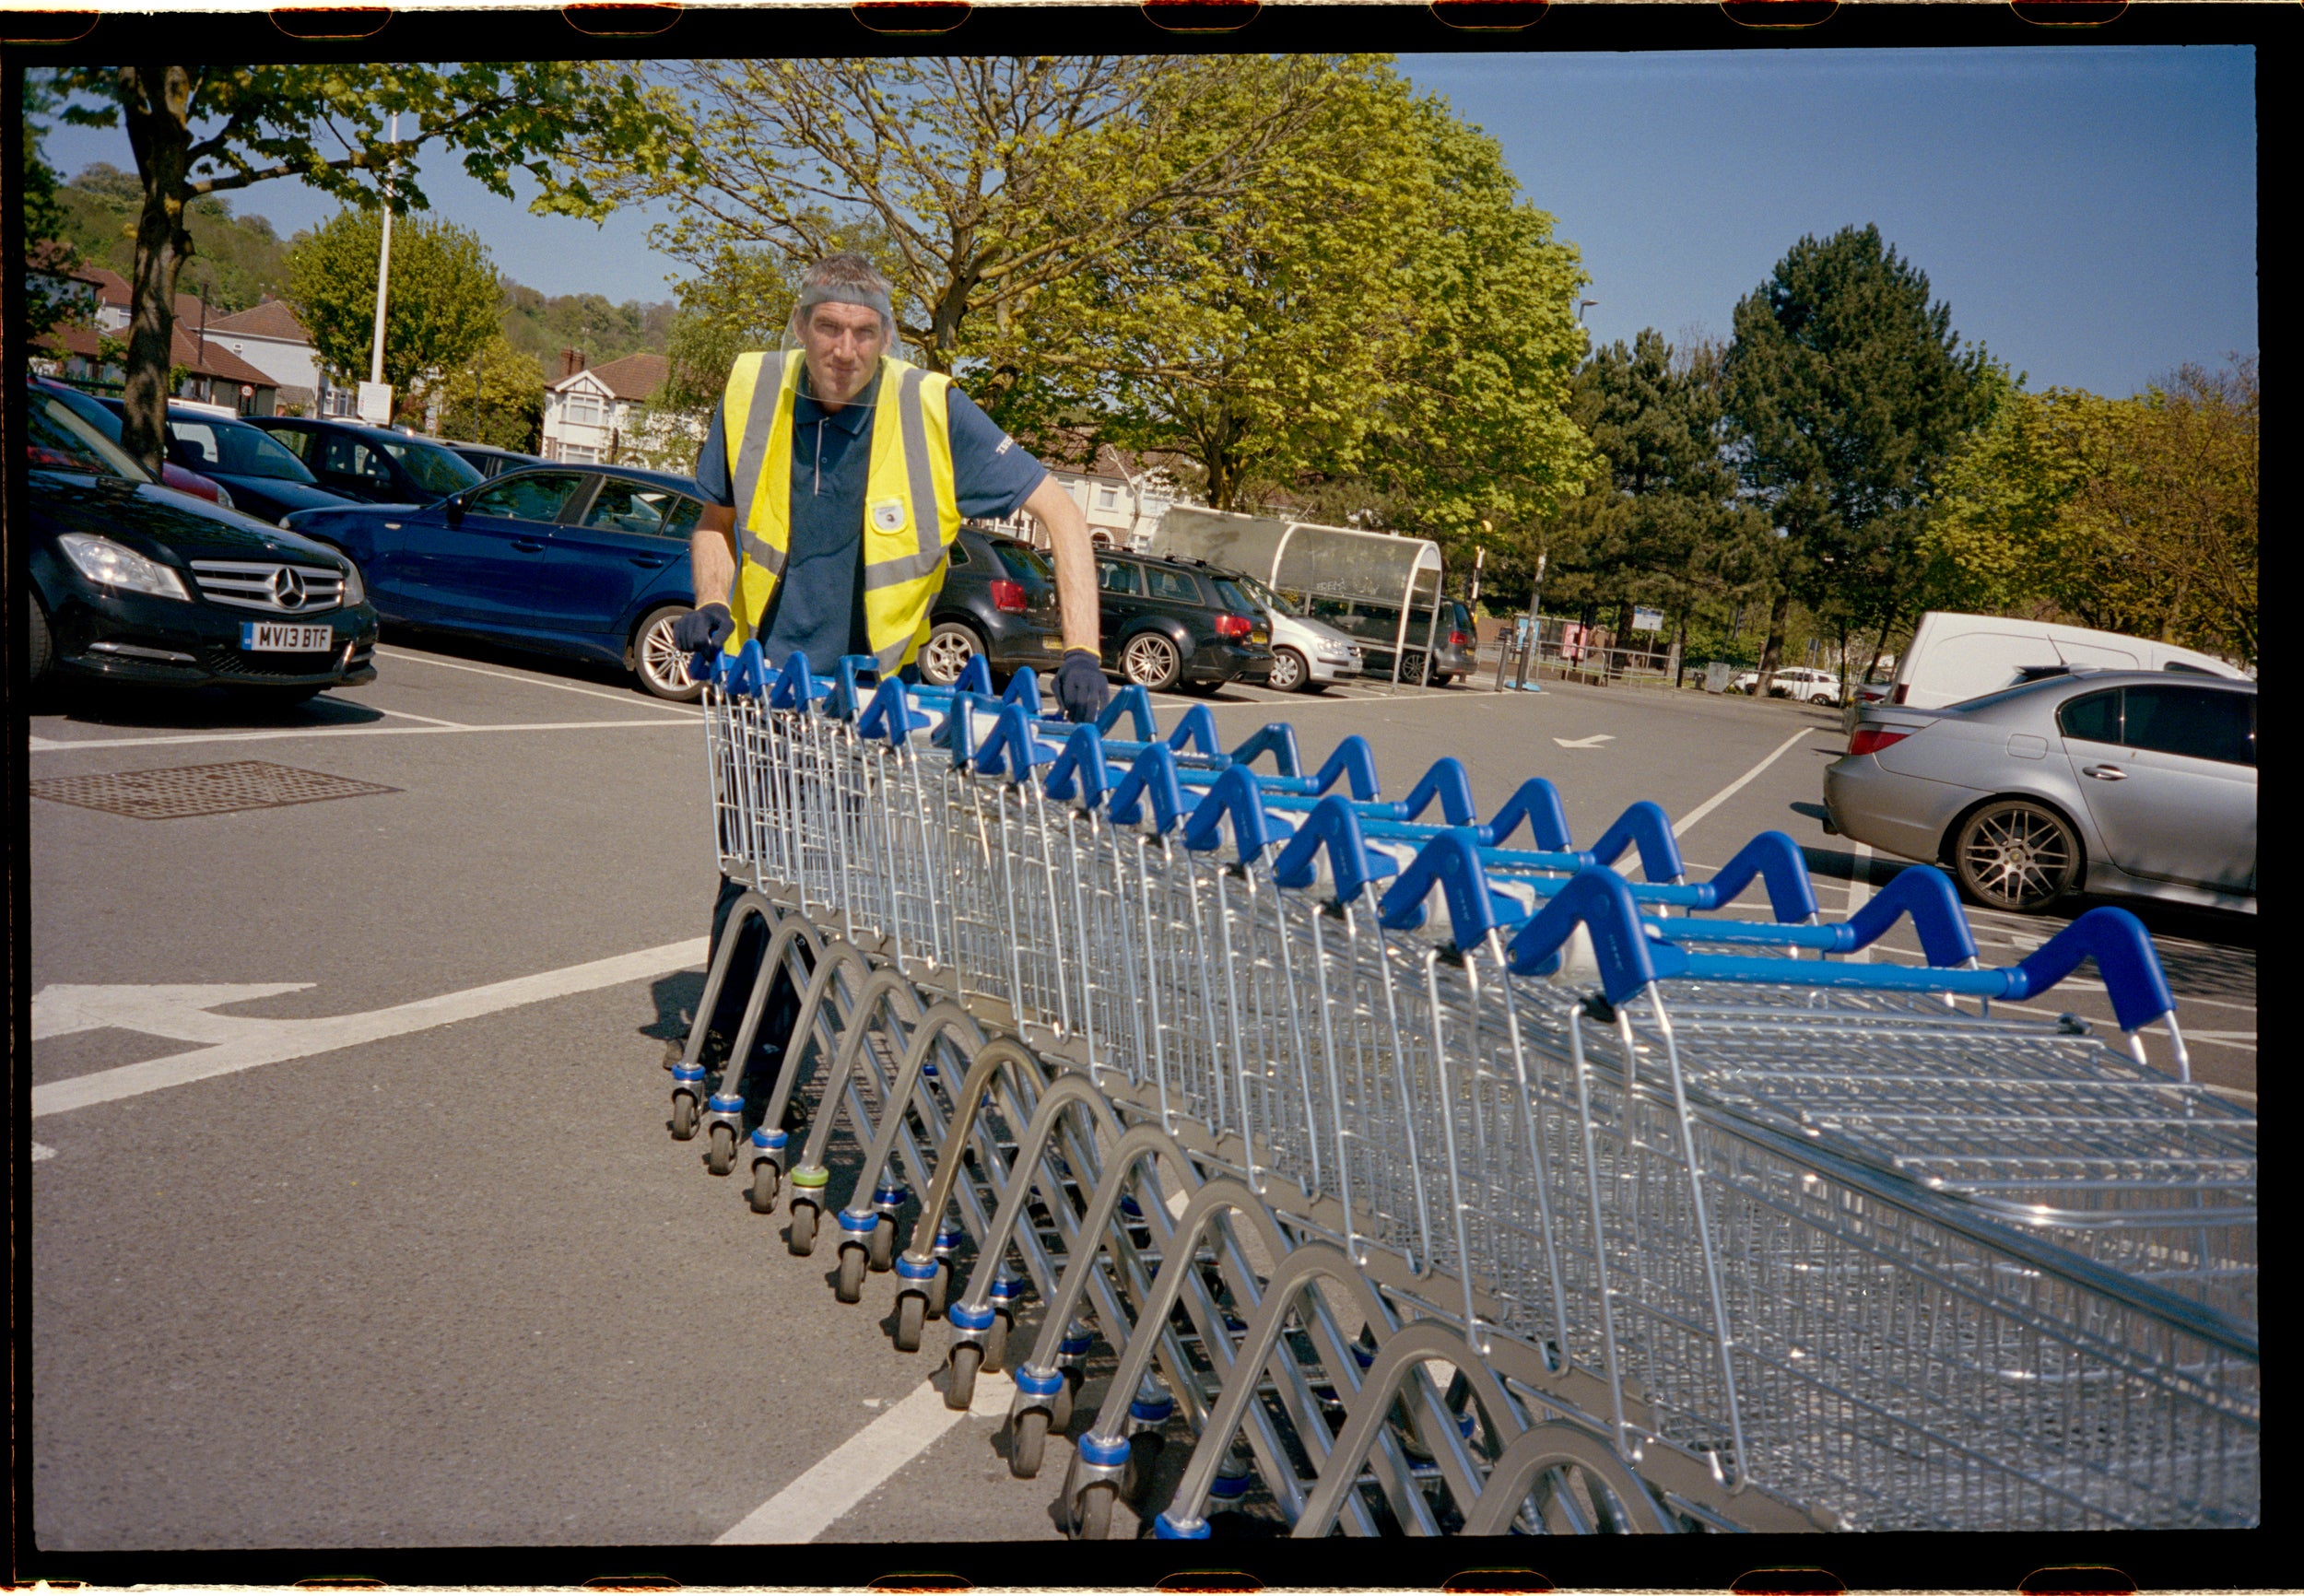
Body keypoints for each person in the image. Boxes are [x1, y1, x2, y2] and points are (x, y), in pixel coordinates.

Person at [671, 252, 1108, 1090]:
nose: (845, 348)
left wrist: (1080, 648)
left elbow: (1062, 514)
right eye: (829, 328)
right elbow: (714, 519)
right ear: (802, 329)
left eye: (864, 333)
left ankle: (772, 1047)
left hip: (866, 694)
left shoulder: (930, 406)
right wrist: (715, 601)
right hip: (761, 681)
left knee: (812, 875)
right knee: (746, 864)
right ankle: (726, 1028)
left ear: (886, 339)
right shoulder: (753, 388)